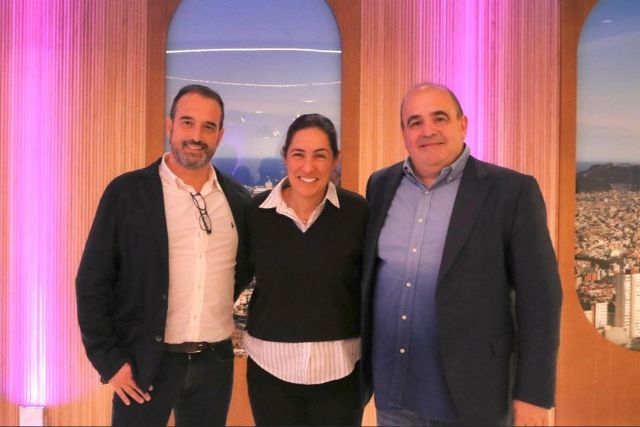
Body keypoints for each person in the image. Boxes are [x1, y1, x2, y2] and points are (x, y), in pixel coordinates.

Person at [360, 83, 562, 426]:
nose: (428, 131)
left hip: (473, 396)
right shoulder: (380, 184)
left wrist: (533, 394)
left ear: (462, 124)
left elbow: (540, 298)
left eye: (439, 118)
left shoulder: (511, 191)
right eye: (415, 122)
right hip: (395, 393)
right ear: (404, 133)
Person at [76, 85, 251, 426]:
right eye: (187, 122)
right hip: (143, 363)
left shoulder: (238, 201)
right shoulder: (127, 193)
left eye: (208, 127)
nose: (196, 136)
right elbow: (92, 282)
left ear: (220, 135)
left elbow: (240, 272)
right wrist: (109, 361)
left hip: (214, 364)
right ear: (170, 125)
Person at [243, 113, 368, 426]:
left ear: (335, 159)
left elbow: (370, 287)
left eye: (320, 155)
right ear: (285, 156)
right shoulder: (256, 213)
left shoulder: (357, 212)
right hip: (270, 370)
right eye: (298, 154)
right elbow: (236, 276)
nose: (308, 167)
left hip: (341, 372)